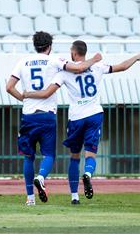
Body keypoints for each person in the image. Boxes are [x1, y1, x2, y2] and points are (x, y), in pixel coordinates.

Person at [24, 40, 140, 204]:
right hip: (94, 114)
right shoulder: (98, 66)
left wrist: (27, 94)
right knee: (90, 153)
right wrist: (136, 57)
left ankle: (74, 196)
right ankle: (88, 175)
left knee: (74, 156)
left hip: (76, 118)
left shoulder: (64, 72)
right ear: (85, 52)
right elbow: (122, 66)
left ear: (73, 53)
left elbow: (47, 93)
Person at [6, 32, 101, 205]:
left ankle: (30, 199)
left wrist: (23, 97)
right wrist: (94, 59)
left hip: (28, 115)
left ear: (35, 45)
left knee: (28, 157)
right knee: (48, 154)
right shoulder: (54, 61)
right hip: (48, 115)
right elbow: (79, 68)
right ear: (49, 46)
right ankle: (41, 177)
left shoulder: (22, 62)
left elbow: (9, 87)